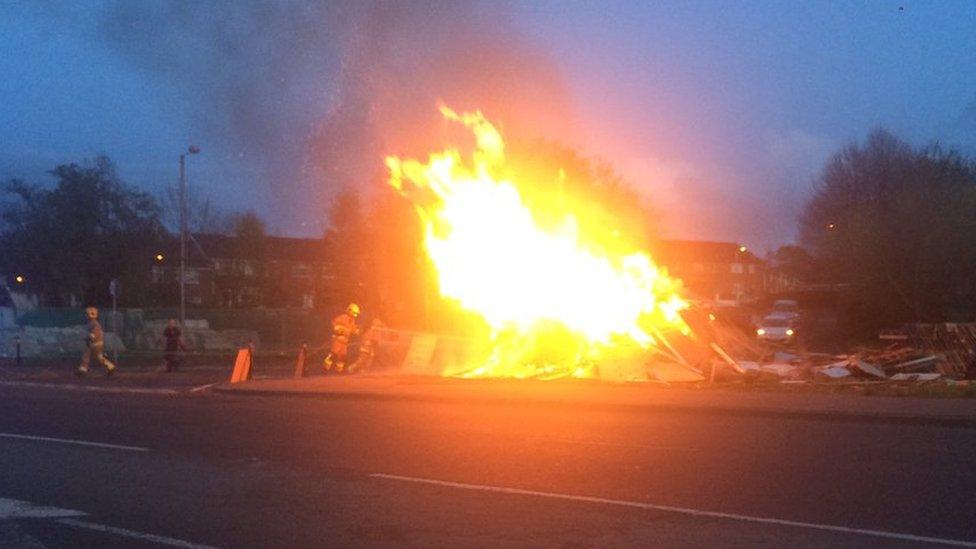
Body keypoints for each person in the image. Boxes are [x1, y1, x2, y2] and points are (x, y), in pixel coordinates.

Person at [77, 307, 116, 376]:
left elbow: (94, 333)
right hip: (93, 343)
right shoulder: (92, 323)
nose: (85, 316)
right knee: (86, 356)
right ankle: (82, 370)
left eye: (87, 314)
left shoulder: (94, 323)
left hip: (96, 343)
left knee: (98, 357)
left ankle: (111, 367)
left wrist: (89, 338)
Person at [324, 303, 360, 374]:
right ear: (350, 311)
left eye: (356, 314)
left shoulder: (352, 320)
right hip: (337, 340)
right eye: (354, 313)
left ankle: (339, 370)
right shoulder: (343, 317)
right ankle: (326, 369)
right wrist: (339, 329)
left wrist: (356, 330)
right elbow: (334, 323)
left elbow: (352, 328)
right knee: (333, 354)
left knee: (342, 356)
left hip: (344, 342)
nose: (354, 315)